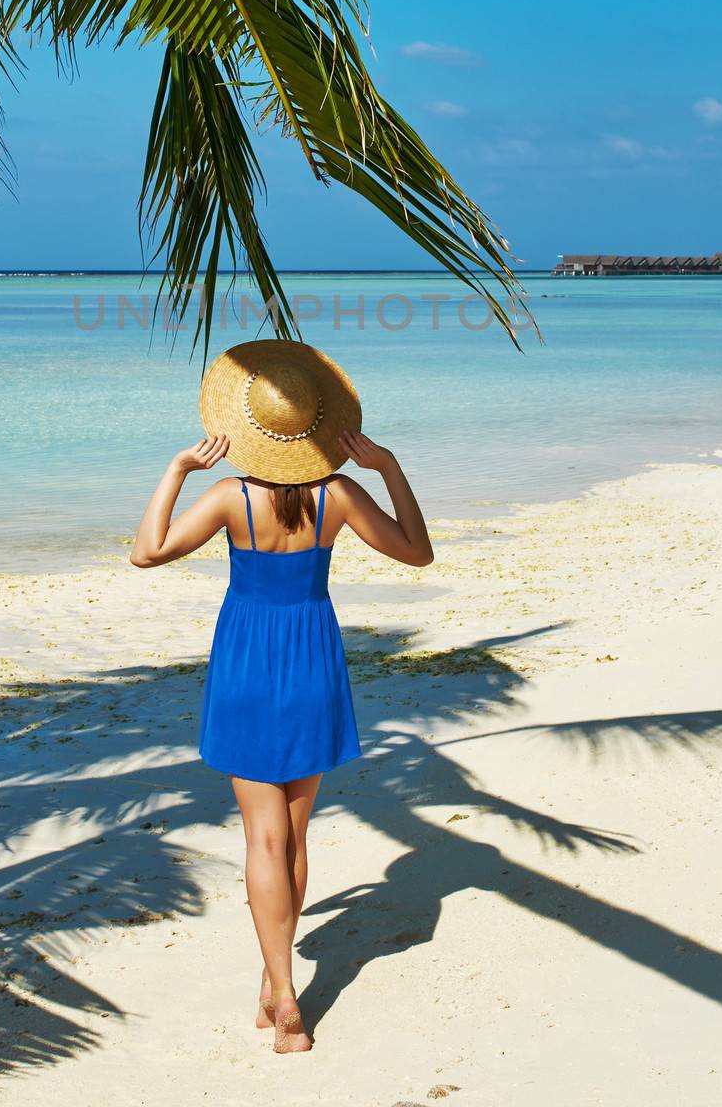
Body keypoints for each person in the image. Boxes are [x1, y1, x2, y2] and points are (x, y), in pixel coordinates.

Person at [130, 340, 434, 1053]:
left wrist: (176, 469)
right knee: (294, 835)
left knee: (263, 838)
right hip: (313, 659)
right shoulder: (341, 496)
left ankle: (286, 994)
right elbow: (418, 552)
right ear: (318, 429)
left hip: (245, 664)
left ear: (251, 430)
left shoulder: (230, 497)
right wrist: (388, 467)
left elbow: (146, 551)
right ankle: (275, 988)